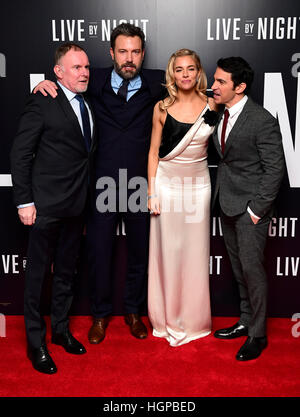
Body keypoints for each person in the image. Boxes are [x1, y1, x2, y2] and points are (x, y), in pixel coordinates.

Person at [34, 24, 166, 343]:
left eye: (135, 51)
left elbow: (193, 87)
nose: (129, 58)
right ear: (111, 53)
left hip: (138, 186)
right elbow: (64, 89)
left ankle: (134, 312)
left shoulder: (158, 82)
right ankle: (100, 315)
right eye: (122, 51)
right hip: (101, 185)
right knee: (98, 253)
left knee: (139, 253)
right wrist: (44, 84)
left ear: (143, 54)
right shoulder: (92, 82)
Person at [10, 43, 96, 374]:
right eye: (76, 67)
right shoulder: (42, 101)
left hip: (77, 205)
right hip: (44, 206)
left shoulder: (86, 103)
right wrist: (24, 201)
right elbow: (20, 154)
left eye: (86, 67)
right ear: (57, 72)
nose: (84, 72)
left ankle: (60, 331)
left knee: (66, 274)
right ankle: (36, 344)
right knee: (36, 278)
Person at [211, 57, 285, 360]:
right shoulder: (219, 113)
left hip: (250, 209)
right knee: (240, 270)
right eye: (214, 80)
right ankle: (244, 321)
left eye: (220, 82)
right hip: (226, 203)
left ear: (239, 87)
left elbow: (275, 169)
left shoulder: (261, 119)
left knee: (253, 271)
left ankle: (257, 334)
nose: (213, 86)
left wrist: (257, 209)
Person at [147, 49, 219, 347]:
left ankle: (193, 320)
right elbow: (153, 153)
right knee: (168, 254)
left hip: (199, 185)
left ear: (199, 71)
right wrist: (151, 193)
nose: (185, 74)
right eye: (179, 70)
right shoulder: (162, 107)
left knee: (195, 254)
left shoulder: (214, 102)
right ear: (172, 73)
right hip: (167, 185)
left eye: (191, 69)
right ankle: (166, 319)